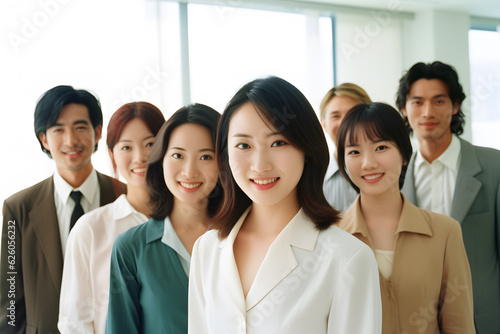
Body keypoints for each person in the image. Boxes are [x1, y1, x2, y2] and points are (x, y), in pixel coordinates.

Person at [188, 76, 382, 333]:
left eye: (278, 143)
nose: (260, 164)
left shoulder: (347, 258)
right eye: (244, 145)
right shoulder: (207, 250)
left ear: (307, 149)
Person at [336, 102, 475, 333]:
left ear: (403, 154)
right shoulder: (329, 236)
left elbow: (459, 326)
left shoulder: (445, 232)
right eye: (354, 152)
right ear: (343, 163)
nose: (368, 163)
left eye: (381, 147)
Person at [0, 85, 124, 334]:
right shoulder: (17, 209)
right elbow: (10, 301)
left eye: (80, 127)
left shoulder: (124, 197)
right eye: (58, 129)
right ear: (44, 138)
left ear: (97, 132)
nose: (70, 140)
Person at [396, 61, 500, 333]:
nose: (428, 112)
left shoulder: (494, 166)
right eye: (417, 102)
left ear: (455, 106)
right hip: (415, 319)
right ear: (404, 109)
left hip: (482, 317)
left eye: (439, 101)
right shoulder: (394, 174)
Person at [105, 104, 221, 333]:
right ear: (161, 159)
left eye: (206, 156)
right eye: (178, 155)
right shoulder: (131, 248)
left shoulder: (241, 238)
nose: (189, 171)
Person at [57, 102, 165, 334]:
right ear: (111, 155)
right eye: (126, 148)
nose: (140, 157)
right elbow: (74, 322)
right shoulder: (90, 229)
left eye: (150, 144)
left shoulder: (187, 223)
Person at [320, 83, 372, 211]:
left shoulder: (387, 170)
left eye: (352, 114)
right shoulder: (313, 179)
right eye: (335, 116)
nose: (345, 123)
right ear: (324, 124)